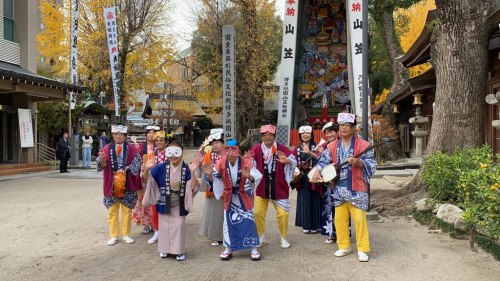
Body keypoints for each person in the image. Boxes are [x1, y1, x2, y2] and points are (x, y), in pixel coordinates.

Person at [311, 113, 377, 262]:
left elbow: (373, 165)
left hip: (356, 188)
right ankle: (344, 246)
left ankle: (363, 248)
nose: (344, 127)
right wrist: (317, 170)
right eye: (342, 125)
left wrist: (359, 163)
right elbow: (323, 161)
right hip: (338, 188)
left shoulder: (364, 145)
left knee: (359, 220)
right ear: (339, 128)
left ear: (354, 128)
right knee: (339, 220)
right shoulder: (332, 145)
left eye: (348, 125)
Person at [204, 139, 263, 261]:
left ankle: (253, 248)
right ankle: (228, 248)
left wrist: (249, 177)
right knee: (228, 223)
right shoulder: (221, 162)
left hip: (244, 196)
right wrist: (209, 174)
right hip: (229, 196)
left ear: (238, 151)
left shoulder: (246, 162)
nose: (230, 154)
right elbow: (213, 177)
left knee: (249, 222)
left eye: (233, 151)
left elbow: (256, 177)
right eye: (227, 151)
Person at [142, 141, 200, 261]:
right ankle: (164, 250)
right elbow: (148, 180)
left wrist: (193, 172)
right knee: (164, 227)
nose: (173, 156)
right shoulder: (160, 167)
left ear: (181, 154)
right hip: (164, 202)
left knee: (178, 226)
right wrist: (147, 169)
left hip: (179, 204)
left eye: (176, 152)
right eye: (170, 152)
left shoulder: (186, 169)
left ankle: (178, 251)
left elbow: (193, 187)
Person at [249, 124, 297, 249]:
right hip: (262, 187)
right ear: (261, 137)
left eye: (270, 135)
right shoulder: (256, 149)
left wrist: (287, 161)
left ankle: (283, 237)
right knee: (258, 213)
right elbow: (249, 162)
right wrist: (247, 161)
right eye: (264, 135)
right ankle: (260, 237)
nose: (267, 137)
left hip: (279, 186)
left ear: (274, 136)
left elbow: (294, 160)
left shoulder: (281, 148)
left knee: (283, 214)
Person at [97, 124, 142, 246]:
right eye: (116, 134)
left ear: (125, 135)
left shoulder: (133, 149)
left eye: (121, 134)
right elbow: (101, 166)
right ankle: (114, 235)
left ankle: (126, 234)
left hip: (127, 183)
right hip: (111, 184)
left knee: (127, 211)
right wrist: (101, 160)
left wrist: (126, 169)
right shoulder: (106, 149)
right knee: (112, 210)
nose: (118, 136)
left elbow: (137, 165)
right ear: (112, 135)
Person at [133, 129, 166, 243]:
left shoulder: (170, 153)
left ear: (166, 142)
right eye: (157, 141)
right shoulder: (151, 155)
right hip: (154, 185)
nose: (159, 142)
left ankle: (166, 231)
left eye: (162, 140)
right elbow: (146, 174)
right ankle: (157, 231)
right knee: (154, 208)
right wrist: (145, 169)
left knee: (167, 209)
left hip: (167, 185)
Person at [293, 125, 322, 234]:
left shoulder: (316, 146)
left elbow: (321, 157)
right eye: (303, 133)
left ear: (311, 135)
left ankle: (316, 225)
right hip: (303, 177)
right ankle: (306, 224)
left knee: (316, 199)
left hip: (315, 174)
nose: (305, 135)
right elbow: (292, 162)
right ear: (300, 135)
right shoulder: (297, 148)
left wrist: (310, 152)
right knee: (304, 200)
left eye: (308, 133)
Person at [198, 128, 225, 246]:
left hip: (226, 186)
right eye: (213, 143)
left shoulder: (228, 154)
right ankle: (215, 236)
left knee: (225, 212)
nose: (215, 145)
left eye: (217, 142)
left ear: (222, 143)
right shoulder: (208, 156)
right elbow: (201, 172)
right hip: (212, 186)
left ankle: (226, 235)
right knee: (214, 212)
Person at [318, 121, 340, 244]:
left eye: (331, 132)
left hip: (340, 180)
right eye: (326, 133)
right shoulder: (325, 146)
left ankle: (342, 233)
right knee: (329, 206)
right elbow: (321, 162)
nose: (329, 135)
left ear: (337, 132)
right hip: (328, 181)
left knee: (341, 206)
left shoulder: (342, 144)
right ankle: (332, 233)